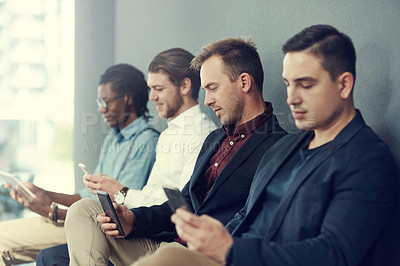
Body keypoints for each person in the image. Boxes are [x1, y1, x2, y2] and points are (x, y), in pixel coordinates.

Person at [133, 24, 400, 266]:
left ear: (344, 85)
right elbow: (245, 215)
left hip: (243, 257)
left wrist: (230, 250)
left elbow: (334, 254)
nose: (292, 98)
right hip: (230, 256)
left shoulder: (367, 158)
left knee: (166, 258)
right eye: (288, 84)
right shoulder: (288, 147)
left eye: (305, 85)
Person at [64, 37, 287, 266]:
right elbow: (185, 202)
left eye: (212, 88)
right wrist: (134, 219)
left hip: (208, 255)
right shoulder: (215, 139)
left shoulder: (279, 148)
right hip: (172, 243)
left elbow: (260, 222)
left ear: (244, 82)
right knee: (84, 212)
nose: (207, 101)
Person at [35, 48, 217, 265]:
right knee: (81, 211)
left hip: (163, 235)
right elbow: (154, 193)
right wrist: (120, 195)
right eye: (151, 89)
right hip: (144, 224)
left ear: (185, 86)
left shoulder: (201, 136)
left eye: (158, 89)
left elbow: (181, 206)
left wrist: (121, 192)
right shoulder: (170, 133)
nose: (152, 97)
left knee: (80, 219)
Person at [0, 64, 160, 266]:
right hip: (81, 217)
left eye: (106, 101)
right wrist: (45, 195)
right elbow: (88, 197)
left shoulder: (147, 142)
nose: (101, 108)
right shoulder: (114, 138)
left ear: (127, 98)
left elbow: (117, 210)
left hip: (97, 227)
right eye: (99, 101)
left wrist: (52, 211)